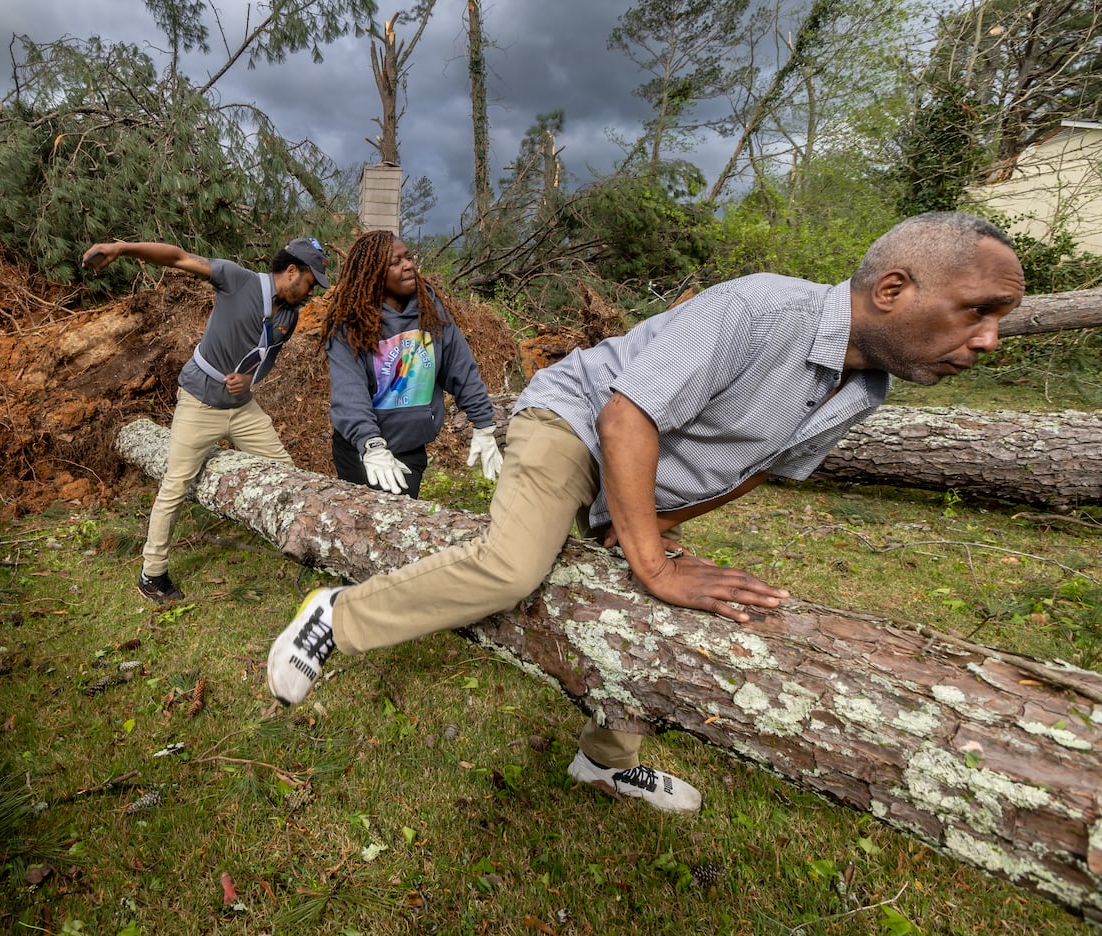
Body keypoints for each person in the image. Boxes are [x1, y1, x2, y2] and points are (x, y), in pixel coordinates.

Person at [267, 211, 1024, 813]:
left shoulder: (866, 390)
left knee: (670, 615)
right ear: (893, 289)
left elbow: (756, 471)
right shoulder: (763, 310)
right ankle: (339, 616)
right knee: (514, 566)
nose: (989, 339)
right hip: (576, 421)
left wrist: (653, 532)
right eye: (977, 311)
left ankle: (603, 762)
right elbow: (626, 417)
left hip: (640, 472)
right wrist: (652, 564)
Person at [81, 236, 330, 602]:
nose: (313, 294)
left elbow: (267, 358)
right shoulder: (237, 278)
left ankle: (302, 551)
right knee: (176, 484)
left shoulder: (290, 316)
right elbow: (178, 257)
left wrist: (250, 380)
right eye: (311, 283)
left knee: (288, 475)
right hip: (198, 402)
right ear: (292, 271)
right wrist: (122, 248)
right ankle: (152, 574)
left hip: (243, 409)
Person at [324, 230, 502, 498]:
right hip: (364, 451)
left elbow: (461, 368)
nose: (407, 265)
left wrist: (484, 424)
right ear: (373, 274)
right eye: (395, 262)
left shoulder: (431, 311)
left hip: (410, 448)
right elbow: (350, 393)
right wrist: (371, 445)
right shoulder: (350, 325)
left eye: (408, 257)